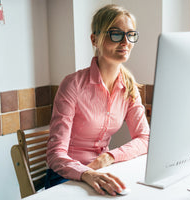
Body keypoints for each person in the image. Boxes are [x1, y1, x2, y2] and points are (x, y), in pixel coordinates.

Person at [45, 4, 150, 196]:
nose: (125, 42)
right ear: (95, 39)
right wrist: (87, 173)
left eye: (130, 34)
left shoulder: (129, 87)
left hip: (103, 172)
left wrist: (109, 157)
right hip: (67, 176)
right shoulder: (72, 85)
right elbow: (55, 155)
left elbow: (145, 138)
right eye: (116, 34)